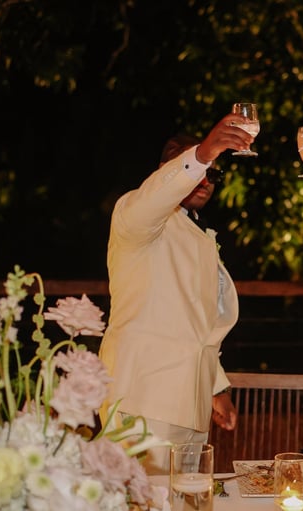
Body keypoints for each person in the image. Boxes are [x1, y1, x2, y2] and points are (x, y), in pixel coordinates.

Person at [98, 114, 254, 474]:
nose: (205, 179)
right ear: (164, 172)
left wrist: (216, 387)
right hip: (143, 400)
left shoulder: (197, 234)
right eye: (199, 169)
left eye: (213, 173)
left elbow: (195, 324)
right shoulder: (136, 218)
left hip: (190, 403)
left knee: (183, 499)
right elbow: (154, 197)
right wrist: (202, 154)